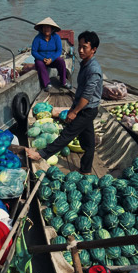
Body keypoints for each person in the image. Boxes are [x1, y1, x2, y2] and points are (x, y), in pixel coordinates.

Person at [26, 31, 102, 175]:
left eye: (84, 47)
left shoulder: (93, 69)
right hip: (84, 107)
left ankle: (41, 154)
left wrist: (74, 112)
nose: (80, 50)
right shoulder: (86, 63)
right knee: (89, 142)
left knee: (67, 134)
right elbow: (81, 93)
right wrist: (73, 107)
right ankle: (86, 170)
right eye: (79, 46)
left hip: (87, 109)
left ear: (93, 49)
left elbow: (87, 95)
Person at [31, 17, 69, 91]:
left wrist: (51, 59)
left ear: (52, 29)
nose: (46, 29)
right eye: (44, 27)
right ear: (41, 29)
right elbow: (34, 51)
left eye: (48, 27)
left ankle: (63, 82)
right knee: (39, 63)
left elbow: (59, 51)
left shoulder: (56, 37)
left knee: (61, 61)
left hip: (52, 59)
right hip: (42, 60)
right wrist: (42, 59)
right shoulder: (37, 38)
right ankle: (47, 84)